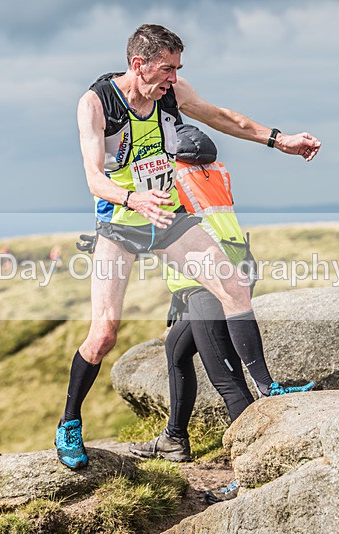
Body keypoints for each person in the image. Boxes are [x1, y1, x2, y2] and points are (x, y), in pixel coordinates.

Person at [55, 23, 321, 470]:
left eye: (177, 69)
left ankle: (268, 387)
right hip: (121, 223)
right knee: (103, 334)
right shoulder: (96, 103)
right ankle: (69, 424)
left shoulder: (172, 93)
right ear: (138, 65)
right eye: (166, 69)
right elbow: (93, 177)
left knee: (233, 286)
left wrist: (281, 141)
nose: (173, 79)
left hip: (167, 216)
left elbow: (223, 118)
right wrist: (131, 197)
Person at [127, 123, 314, 504]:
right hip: (232, 268)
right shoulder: (215, 172)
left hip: (205, 283)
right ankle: (174, 439)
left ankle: (250, 472)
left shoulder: (168, 174)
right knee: (177, 352)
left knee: (227, 382)